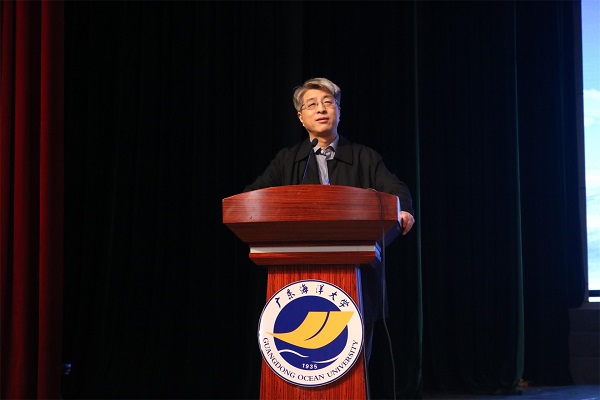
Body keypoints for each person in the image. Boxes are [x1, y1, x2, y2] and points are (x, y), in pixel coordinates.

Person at [244, 77, 415, 366]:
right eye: (312, 105)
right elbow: (254, 197)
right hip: (297, 276)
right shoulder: (287, 160)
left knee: (350, 364)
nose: (321, 109)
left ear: (339, 111)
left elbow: (396, 190)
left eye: (328, 102)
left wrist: (402, 209)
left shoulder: (364, 157)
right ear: (301, 117)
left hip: (358, 275)